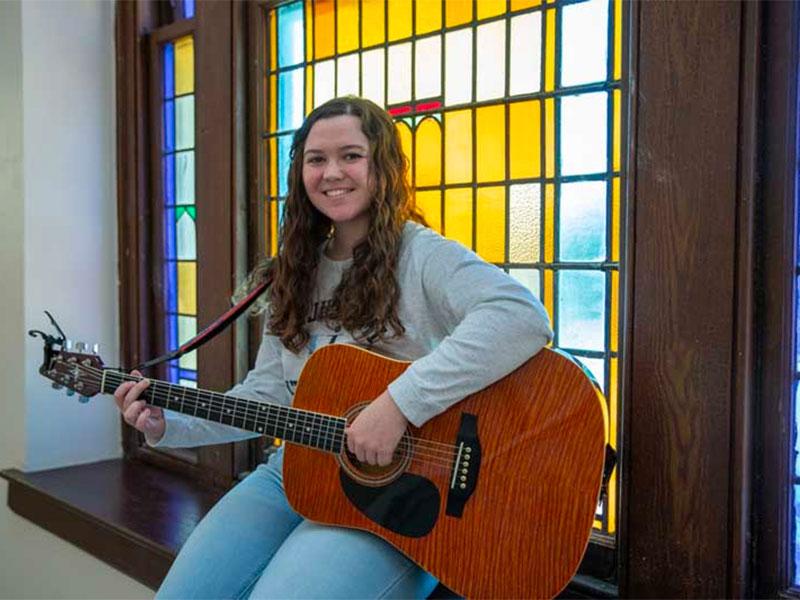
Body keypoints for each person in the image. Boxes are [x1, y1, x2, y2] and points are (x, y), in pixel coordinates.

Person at [114, 96, 553, 599]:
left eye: (351, 155)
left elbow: (520, 317)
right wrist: (169, 422)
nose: (332, 172)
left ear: (381, 165)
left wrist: (397, 407)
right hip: (296, 472)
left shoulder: (421, 254)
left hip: (406, 493)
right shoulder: (294, 272)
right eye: (316, 159)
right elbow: (269, 396)